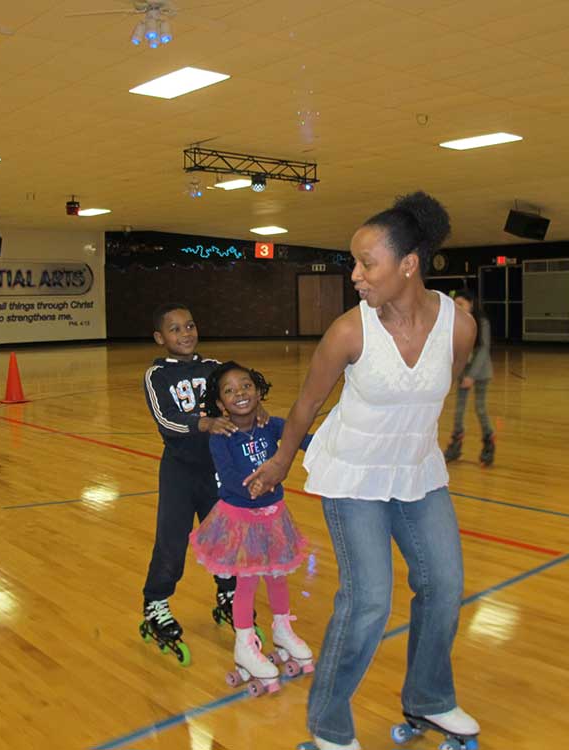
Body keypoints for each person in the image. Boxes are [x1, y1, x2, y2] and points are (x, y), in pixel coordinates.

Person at [245, 192, 479, 750]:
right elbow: (306, 406)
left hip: (417, 473)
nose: (355, 275)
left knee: (444, 585)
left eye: (365, 263)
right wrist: (279, 463)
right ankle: (329, 727)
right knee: (369, 598)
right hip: (353, 475)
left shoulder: (459, 327)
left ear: (408, 264)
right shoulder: (349, 332)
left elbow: (438, 390)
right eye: (353, 262)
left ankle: (430, 698)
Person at [139, 303, 265, 664]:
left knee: (225, 536)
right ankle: (156, 602)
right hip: (179, 470)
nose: (185, 333)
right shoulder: (157, 376)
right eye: (175, 329)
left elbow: (240, 391)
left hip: (217, 469)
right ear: (160, 338)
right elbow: (167, 420)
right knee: (172, 540)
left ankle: (228, 595)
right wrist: (203, 423)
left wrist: (256, 410)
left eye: (190, 325)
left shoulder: (213, 369)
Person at [189, 361, 313, 694]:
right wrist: (254, 488)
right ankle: (244, 643)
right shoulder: (221, 436)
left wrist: (336, 445)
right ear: (220, 404)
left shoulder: (272, 425)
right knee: (246, 581)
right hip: (240, 519)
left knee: (277, 575)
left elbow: (303, 440)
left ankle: (283, 629)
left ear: (258, 391)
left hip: (274, 515)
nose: (239, 394)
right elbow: (227, 476)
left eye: (246, 386)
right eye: (229, 391)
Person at [443, 289, 495, 466]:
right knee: (458, 410)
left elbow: (483, 349)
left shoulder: (482, 322)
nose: (457, 308)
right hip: (463, 370)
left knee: (480, 409)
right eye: (455, 304)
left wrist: (472, 376)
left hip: (480, 372)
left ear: (470, 304)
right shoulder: (457, 323)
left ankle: (489, 442)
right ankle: (455, 444)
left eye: (461, 304)